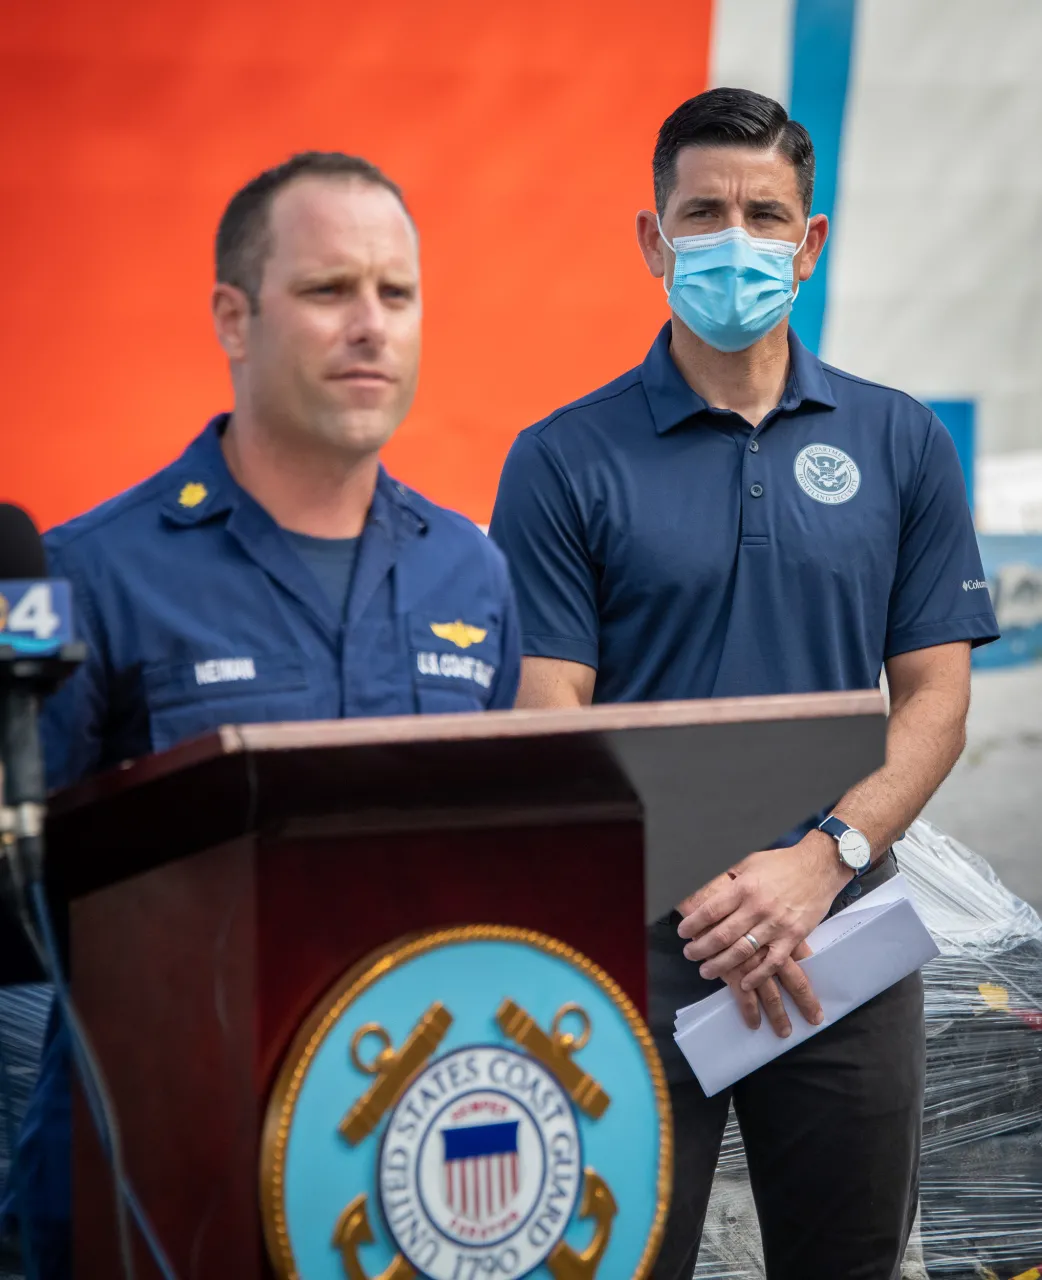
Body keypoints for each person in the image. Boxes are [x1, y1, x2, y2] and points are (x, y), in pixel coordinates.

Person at [488, 88, 999, 1279]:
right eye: (701, 212)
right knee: (614, 1261)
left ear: (809, 241)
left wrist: (823, 859)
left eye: (764, 214)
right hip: (632, 947)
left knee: (847, 1260)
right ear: (652, 240)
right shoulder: (563, 458)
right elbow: (546, 703)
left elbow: (934, 699)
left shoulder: (900, 441)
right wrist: (711, 880)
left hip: (846, 943)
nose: (734, 238)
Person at [1, 151, 521, 1278]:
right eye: (330, 290)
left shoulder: (471, 575)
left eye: (397, 292)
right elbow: (18, 899)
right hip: (147, 1190)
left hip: (404, 1169)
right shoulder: (92, 575)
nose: (371, 325)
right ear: (233, 319)